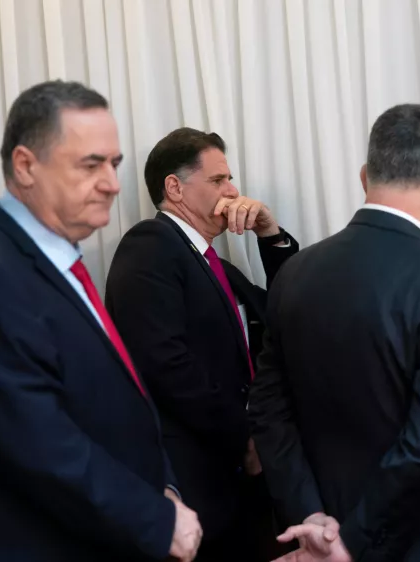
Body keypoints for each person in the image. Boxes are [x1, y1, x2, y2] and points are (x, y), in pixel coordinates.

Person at [0, 80, 202, 562]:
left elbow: (111, 401)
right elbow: (35, 442)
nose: (111, 182)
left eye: (114, 164)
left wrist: (164, 488)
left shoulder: (52, 259)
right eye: (91, 165)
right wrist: (154, 517)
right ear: (26, 166)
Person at [248, 104, 420, 562]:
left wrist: (313, 518)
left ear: (366, 177)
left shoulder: (295, 273)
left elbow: (268, 408)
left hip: (322, 521)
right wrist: (350, 540)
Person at [105, 128, 299, 561]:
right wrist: (242, 434)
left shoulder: (217, 267)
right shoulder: (150, 245)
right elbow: (165, 362)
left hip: (235, 480)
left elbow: (288, 310)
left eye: (230, 179)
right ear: (174, 188)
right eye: (217, 180)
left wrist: (270, 234)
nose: (232, 191)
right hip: (194, 480)